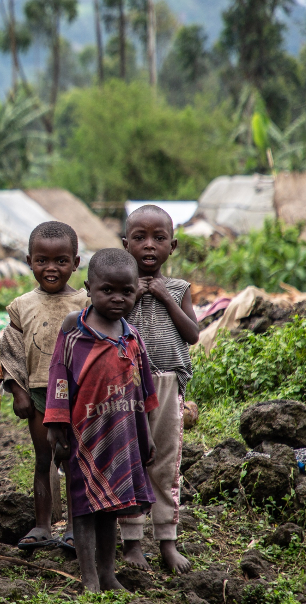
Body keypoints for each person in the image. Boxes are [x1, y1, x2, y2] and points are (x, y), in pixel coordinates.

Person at [45, 248, 158, 592]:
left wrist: (147, 436)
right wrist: (56, 427)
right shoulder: (73, 331)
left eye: (127, 291)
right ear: (89, 288)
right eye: (107, 290)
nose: (118, 298)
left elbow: (144, 390)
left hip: (122, 437)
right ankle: (89, 578)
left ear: (136, 290)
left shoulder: (132, 337)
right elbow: (58, 379)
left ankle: (108, 574)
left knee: (112, 508)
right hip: (83, 438)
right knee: (82, 508)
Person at [118, 205, 200, 574]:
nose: (149, 246)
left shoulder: (179, 289)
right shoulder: (118, 289)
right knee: (130, 460)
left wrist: (165, 296)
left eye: (159, 238)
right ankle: (132, 541)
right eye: (139, 238)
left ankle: (167, 540)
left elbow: (193, 335)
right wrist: (131, 295)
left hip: (168, 382)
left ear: (173, 246)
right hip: (126, 386)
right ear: (125, 244)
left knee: (166, 463)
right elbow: (106, 326)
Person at [0, 221, 89, 550]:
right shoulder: (22, 306)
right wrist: (17, 391)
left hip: (77, 396)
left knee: (73, 460)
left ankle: (76, 528)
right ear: (29, 261)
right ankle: (41, 525)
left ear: (76, 263)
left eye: (61, 261)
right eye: (42, 261)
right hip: (38, 393)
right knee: (43, 458)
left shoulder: (85, 304)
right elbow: (9, 352)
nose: (51, 268)